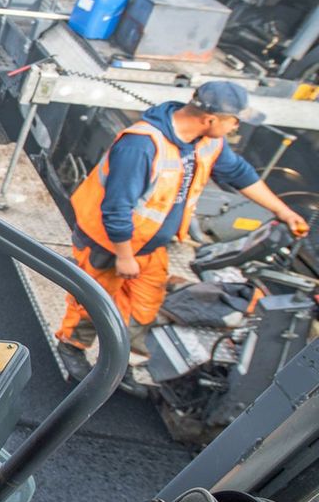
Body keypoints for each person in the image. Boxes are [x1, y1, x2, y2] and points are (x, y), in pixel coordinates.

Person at [56, 81, 309, 369]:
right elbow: (116, 208)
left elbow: (240, 173)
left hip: (150, 245)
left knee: (144, 306)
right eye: (234, 121)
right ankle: (71, 349)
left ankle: (115, 361)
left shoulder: (208, 141)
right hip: (108, 243)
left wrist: (283, 211)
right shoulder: (141, 145)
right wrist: (124, 256)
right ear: (209, 119)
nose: (236, 128)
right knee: (92, 303)